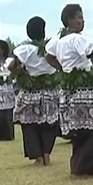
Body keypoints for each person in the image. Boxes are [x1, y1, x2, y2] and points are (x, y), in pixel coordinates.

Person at [45, 4, 93, 178]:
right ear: (69, 20)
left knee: (80, 132)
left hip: (70, 91)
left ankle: (79, 167)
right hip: (85, 92)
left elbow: (48, 55)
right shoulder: (77, 39)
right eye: (79, 17)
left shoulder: (58, 40)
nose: (82, 20)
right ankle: (88, 167)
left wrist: (65, 70)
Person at [9, 16, 59, 166]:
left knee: (30, 125)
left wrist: (22, 73)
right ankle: (46, 153)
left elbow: (12, 65)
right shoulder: (50, 48)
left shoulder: (25, 49)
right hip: (50, 92)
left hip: (31, 93)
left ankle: (38, 156)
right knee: (49, 124)